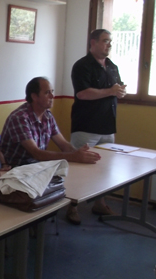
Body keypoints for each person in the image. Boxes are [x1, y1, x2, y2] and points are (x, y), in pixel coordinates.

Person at [0, 77, 101, 224]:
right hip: (18, 171)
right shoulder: (20, 117)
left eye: (52, 92)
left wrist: (79, 153)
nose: (52, 96)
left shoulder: (47, 116)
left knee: (73, 169)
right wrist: (73, 156)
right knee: (65, 167)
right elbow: (37, 153)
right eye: (47, 92)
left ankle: (72, 206)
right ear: (34, 96)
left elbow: (63, 144)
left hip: (38, 167)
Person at [70, 28, 127, 222]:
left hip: (107, 126)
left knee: (104, 169)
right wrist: (110, 91)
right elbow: (82, 94)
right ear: (93, 43)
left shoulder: (112, 66)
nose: (109, 45)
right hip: (86, 127)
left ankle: (99, 203)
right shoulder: (82, 66)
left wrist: (119, 92)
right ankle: (72, 207)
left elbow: (115, 89)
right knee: (78, 168)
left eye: (110, 41)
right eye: (105, 41)